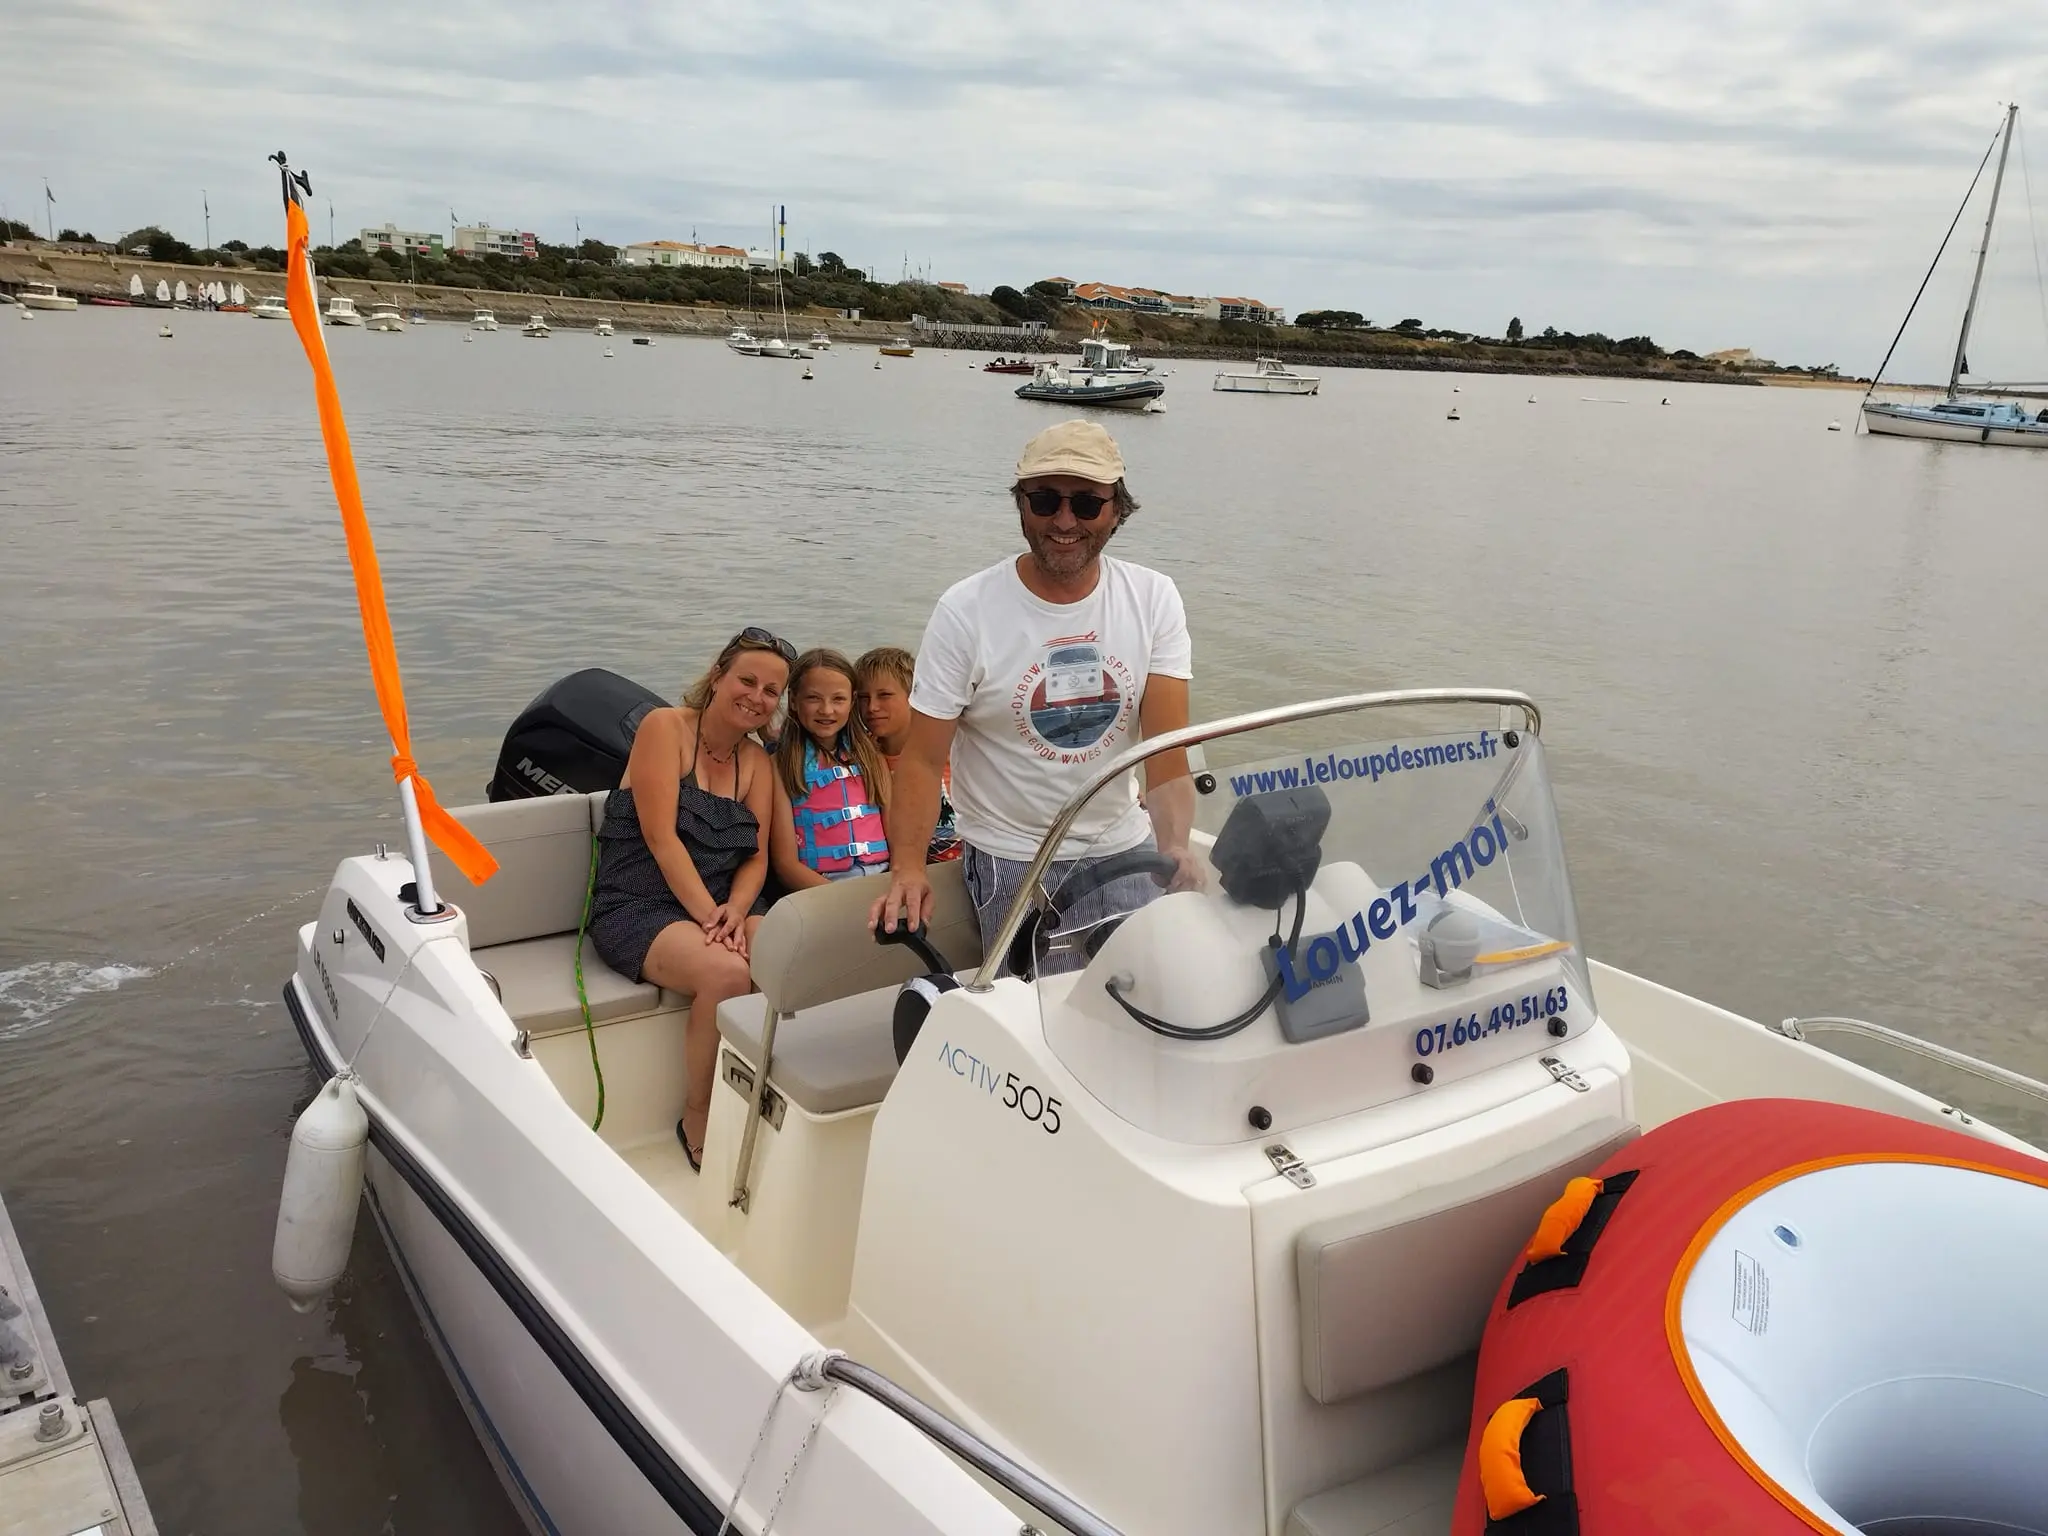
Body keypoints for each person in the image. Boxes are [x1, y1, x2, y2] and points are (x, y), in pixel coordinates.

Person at [870, 419, 1201, 967]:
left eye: (1087, 504)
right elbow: (924, 761)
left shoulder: (1154, 597)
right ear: (1021, 505)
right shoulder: (966, 610)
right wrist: (907, 869)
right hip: (1013, 851)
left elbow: (1165, 754)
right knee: (1059, 998)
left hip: (1122, 840)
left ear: (1117, 511)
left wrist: (1174, 845)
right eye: (1045, 501)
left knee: (1167, 983)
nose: (1064, 521)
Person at [586, 627, 793, 1169]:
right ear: (719, 675)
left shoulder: (756, 763)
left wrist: (737, 912)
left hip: (721, 905)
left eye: (771, 691)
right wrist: (713, 919)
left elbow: (756, 858)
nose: (756, 696)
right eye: (746, 680)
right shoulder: (665, 729)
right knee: (726, 973)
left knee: (781, 950)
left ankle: (765, 1097)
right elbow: (660, 837)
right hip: (637, 902)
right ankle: (697, 1112)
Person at [769, 648, 893, 889]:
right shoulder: (779, 766)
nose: (826, 710)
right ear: (793, 700)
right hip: (823, 887)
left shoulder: (871, 757)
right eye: (813, 698)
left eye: (838, 699)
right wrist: (837, 898)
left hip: (884, 879)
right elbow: (786, 864)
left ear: (852, 701)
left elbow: (898, 839)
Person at [854, 644, 960, 862]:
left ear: (914, 696)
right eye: (863, 698)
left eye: (884, 695)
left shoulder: (949, 748)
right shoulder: (860, 758)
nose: (872, 707)